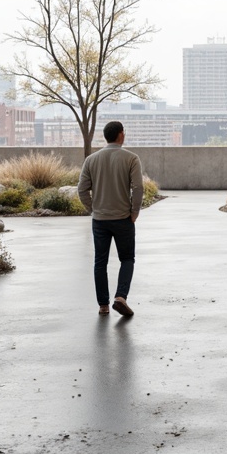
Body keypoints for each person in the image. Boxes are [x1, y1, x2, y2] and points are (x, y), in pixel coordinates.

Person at [78, 120, 144, 317]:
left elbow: (82, 189)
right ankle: (120, 297)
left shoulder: (91, 159)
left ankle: (103, 305)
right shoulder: (131, 158)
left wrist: (93, 209)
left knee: (100, 262)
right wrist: (135, 212)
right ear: (121, 135)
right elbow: (138, 188)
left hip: (100, 220)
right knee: (127, 259)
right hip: (123, 218)